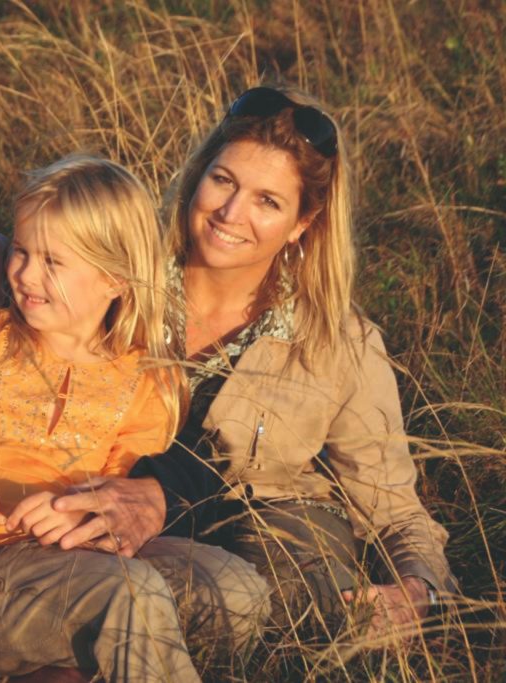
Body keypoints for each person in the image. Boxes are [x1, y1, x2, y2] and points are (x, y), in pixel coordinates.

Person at [53, 86, 455, 643]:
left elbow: (394, 509)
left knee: (282, 595)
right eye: (223, 181)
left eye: (268, 201)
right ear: (198, 176)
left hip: (268, 527)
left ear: (302, 222)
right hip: (112, 499)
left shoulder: (340, 341)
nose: (231, 213)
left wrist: (419, 590)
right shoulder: (122, 282)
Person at [0, 155, 268, 682]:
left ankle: (114, 657)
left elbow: (122, 498)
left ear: (114, 279)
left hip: (96, 559)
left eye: (52, 262)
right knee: (131, 595)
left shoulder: (150, 379)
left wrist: (82, 516)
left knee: (239, 590)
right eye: (21, 251)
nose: (25, 274)